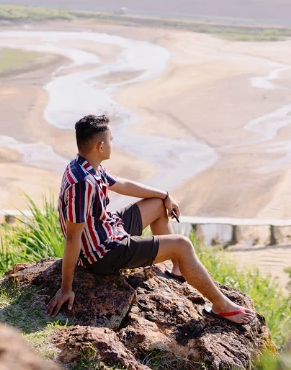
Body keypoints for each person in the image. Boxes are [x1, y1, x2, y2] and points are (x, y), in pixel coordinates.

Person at [46, 114, 256, 325]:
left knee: (156, 204)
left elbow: (123, 184)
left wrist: (164, 195)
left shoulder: (86, 165)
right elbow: (73, 238)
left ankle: (178, 267)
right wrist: (66, 289)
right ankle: (221, 305)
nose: (113, 143)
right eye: (111, 139)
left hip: (108, 228)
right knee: (182, 244)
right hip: (104, 254)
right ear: (100, 146)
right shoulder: (83, 183)